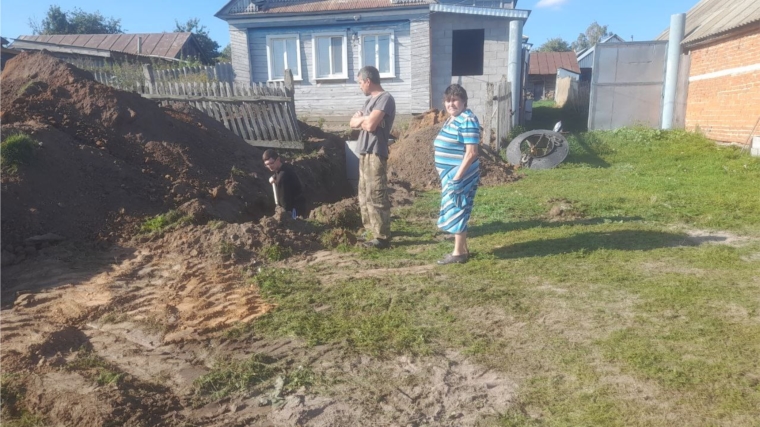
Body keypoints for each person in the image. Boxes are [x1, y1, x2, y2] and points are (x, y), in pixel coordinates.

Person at [349, 66, 396, 249]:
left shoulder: (385, 99)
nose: (360, 86)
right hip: (364, 151)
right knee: (364, 193)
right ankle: (371, 229)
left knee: (376, 192)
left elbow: (369, 125)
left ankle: (382, 237)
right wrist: (364, 119)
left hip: (376, 151)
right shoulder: (369, 101)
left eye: (360, 82)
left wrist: (363, 120)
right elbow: (352, 123)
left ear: (368, 81)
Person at [434, 84, 480, 265]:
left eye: (454, 100)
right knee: (457, 207)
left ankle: (458, 253)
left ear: (464, 101)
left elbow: (471, 153)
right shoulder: (454, 119)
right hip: (451, 173)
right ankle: (463, 249)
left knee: (458, 208)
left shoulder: (468, 120)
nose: (450, 104)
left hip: (461, 174)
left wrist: (457, 178)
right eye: (447, 100)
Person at [262, 149, 306, 219]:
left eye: (271, 163)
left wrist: (284, 213)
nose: (270, 166)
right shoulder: (284, 168)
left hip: (294, 209)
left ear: (278, 159)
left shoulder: (282, 177)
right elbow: (279, 172)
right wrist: (274, 177)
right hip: (300, 204)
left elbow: (284, 199)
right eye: (267, 164)